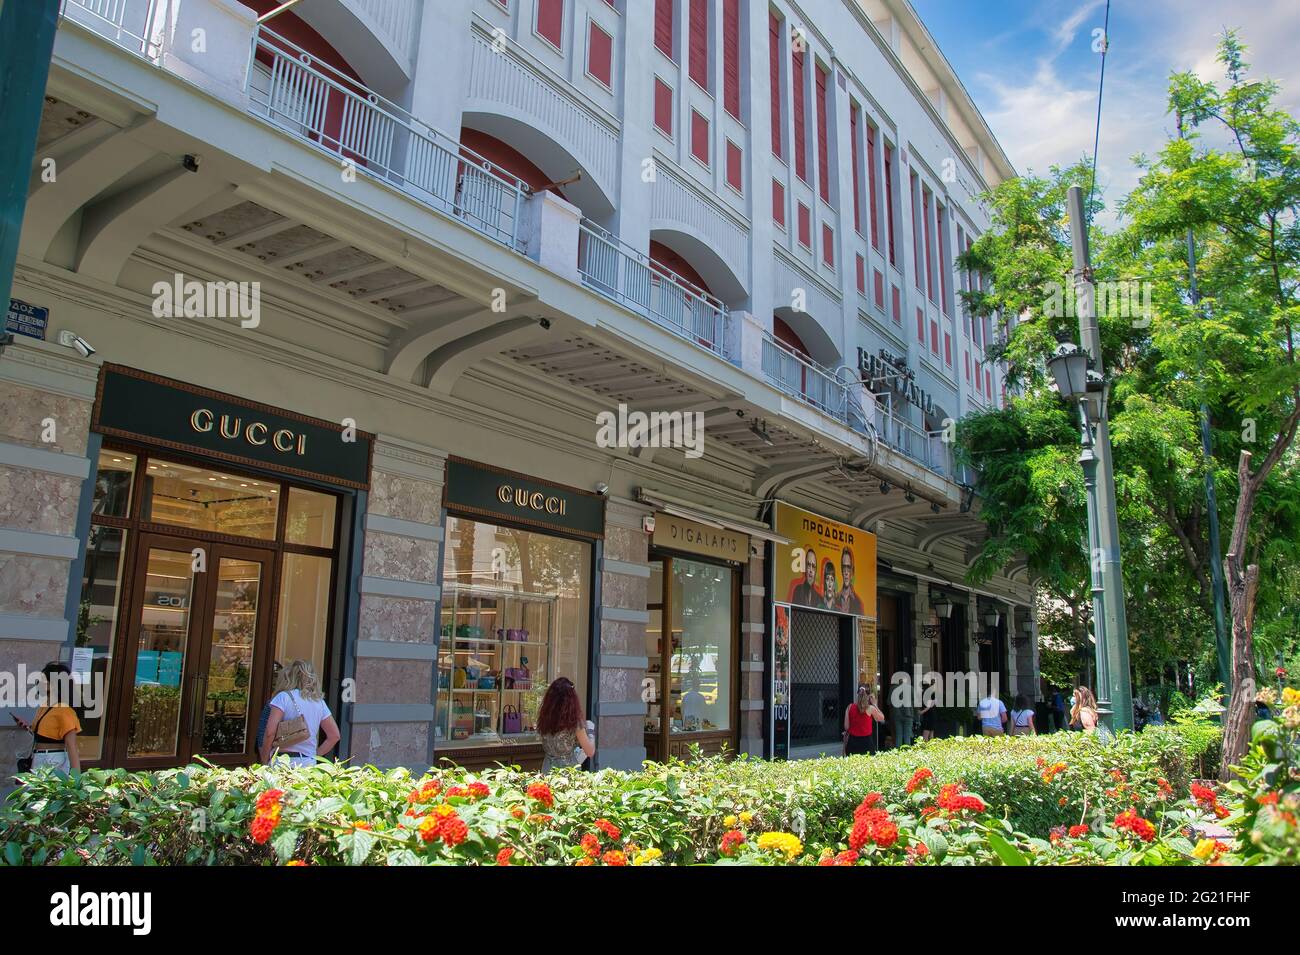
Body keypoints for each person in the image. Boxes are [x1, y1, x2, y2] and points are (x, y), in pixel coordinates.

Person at [259, 659, 340, 767]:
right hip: (308, 763)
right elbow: (334, 736)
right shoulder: (319, 702)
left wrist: (265, 760)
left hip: (283, 761)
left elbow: (270, 733)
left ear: (288, 676)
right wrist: (314, 755)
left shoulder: (283, 697)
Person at [13, 662, 81, 773]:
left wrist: (76, 778)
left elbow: (71, 744)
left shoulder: (64, 710)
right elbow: (46, 735)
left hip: (53, 759)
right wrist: (28, 727)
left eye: (42, 680)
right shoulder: (45, 706)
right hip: (39, 756)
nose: (38, 683)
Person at [536, 676, 595, 772]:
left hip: (547, 768)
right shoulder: (574, 721)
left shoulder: (545, 718)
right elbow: (590, 751)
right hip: (567, 772)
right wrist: (591, 731)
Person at [843, 685, 884, 756]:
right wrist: (875, 704)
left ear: (857, 695)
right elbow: (881, 718)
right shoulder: (870, 708)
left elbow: (846, 727)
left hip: (852, 742)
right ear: (869, 697)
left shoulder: (849, 707)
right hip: (867, 742)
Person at [836, 547, 865, 615]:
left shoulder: (859, 603)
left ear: (853, 571)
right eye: (844, 567)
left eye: (848, 567)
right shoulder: (835, 599)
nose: (846, 572)